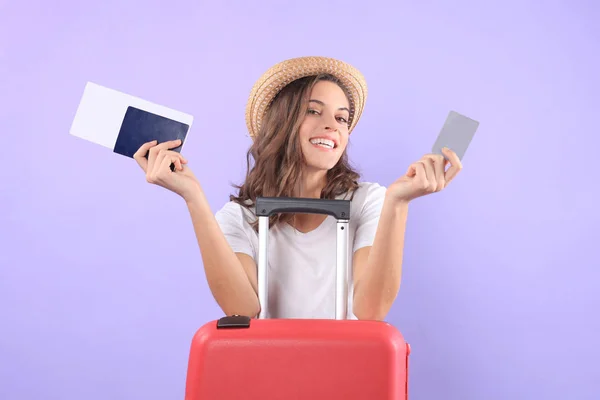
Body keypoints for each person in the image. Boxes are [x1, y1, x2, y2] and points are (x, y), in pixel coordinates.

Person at [133, 56, 463, 321]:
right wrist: (193, 197)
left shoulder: (367, 201)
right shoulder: (239, 218)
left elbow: (370, 310)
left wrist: (398, 204)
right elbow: (243, 309)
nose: (332, 125)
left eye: (342, 118)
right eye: (313, 111)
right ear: (282, 123)